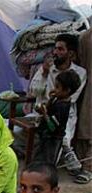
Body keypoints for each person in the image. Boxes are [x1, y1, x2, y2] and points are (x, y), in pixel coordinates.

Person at [29, 33, 87, 176]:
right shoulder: (46, 69)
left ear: (71, 53)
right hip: (42, 112)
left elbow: (72, 98)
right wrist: (44, 74)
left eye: (60, 49)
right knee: (16, 135)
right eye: (55, 49)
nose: (55, 52)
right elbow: (34, 92)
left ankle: (64, 161)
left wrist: (49, 105)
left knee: (61, 139)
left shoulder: (79, 73)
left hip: (62, 115)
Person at [35, 70, 83, 168]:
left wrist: (45, 114)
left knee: (48, 162)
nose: (54, 89)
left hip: (53, 139)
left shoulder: (62, 106)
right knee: (39, 157)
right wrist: (51, 99)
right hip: (46, 136)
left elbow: (53, 127)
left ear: (67, 90)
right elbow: (47, 108)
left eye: (57, 87)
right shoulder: (59, 99)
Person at [75, 27, 92, 183]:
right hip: (86, 84)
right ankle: (85, 167)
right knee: (85, 128)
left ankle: (84, 165)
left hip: (85, 84)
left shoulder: (84, 37)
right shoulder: (85, 37)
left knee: (84, 127)